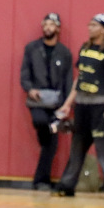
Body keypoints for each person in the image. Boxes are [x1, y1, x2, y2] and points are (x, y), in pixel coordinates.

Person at [55, 13, 104, 200]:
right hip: (82, 106)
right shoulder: (84, 49)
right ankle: (67, 186)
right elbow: (79, 79)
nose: (89, 28)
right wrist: (67, 104)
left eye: (94, 25)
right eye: (90, 24)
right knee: (77, 148)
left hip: (100, 107)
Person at [20, 13, 73, 190]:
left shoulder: (64, 53)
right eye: (46, 24)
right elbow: (25, 73)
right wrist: (30, 89)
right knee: (42, 124)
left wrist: (67, 105)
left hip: (56, 103)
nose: (48, 27)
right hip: (37, 100)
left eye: (52, 24)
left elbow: (68, 80)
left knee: (51, 144)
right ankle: (42, 180)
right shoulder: (32, 48)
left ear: (58, 28)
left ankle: (41, 181)